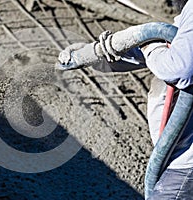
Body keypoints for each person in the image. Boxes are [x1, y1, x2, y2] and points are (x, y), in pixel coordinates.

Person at [58, 0, 193, 199]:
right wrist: (95, 55)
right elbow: (171, 44)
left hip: (186, 165)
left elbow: (179, 68)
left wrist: (150, 45)